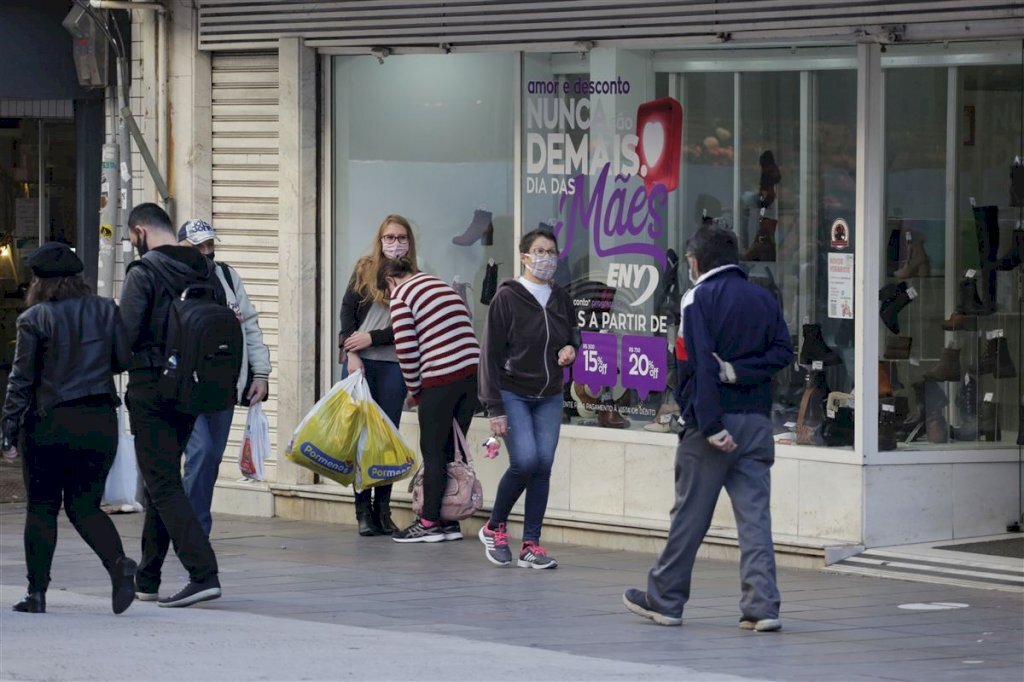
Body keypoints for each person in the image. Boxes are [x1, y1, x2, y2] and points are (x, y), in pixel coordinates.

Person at [623, 224, 793, 631]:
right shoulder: (764, 297)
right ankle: (762, 607)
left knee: (690, 516)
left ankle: (665, 599)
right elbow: (784, 352)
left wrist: (712, 423)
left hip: (710, 424)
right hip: (756, 422)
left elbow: (697, 364)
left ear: (695, 263)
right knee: (755, 520)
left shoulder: (697, 297)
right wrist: (739, 371)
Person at [1, 242, 137, 615]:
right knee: (84, 505)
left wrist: (8, 428)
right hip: (99, 420)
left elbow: (21, 380)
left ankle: (37, 594)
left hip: (50, 422)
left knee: (42, 508)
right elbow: (123, 360)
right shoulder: (106, 310)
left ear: (39, 282)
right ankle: (119, 563)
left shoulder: (33, 319)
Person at [119, 203, 223, 608]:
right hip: (193, 390)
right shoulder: (206, 268)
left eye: (132, 239)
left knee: (161, 482)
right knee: (164, 480)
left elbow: (125, 335)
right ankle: (148, 577)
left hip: (150, 389)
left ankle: (203, 572)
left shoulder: (144, 273)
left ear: (141, 231)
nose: (134, 246)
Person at [477, 228, 578, 569]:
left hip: (549, 394)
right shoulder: (507, 298)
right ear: (524, 257)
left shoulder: (561, 297)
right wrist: (494, 407)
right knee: (525, 461)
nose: (546, 258)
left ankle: (530, 545)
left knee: (543, 467)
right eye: (539, 251)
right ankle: (494, 527)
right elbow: (489, 354)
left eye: (551, 251)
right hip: (513, 391)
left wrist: (570, 349)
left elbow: (572, 335)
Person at [176, 218, 271, 537]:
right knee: (200, 452)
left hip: (224, 384)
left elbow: (251, 326)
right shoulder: (172, 281)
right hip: (185, 388)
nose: (206, 252)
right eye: (198, 246)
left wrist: (260, 373)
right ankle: (193, 529)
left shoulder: (228, 277)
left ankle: (193, 523)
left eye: (209, 245)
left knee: (213, 457)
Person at [381, 256, 480, 543]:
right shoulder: (440, 286)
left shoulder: (402, 296)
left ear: (390, 281)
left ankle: (428, 522)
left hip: (440, 376)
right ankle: (449, 520)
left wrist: (416, 391)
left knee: (433, 450)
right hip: (471, 374)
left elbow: (407, 351)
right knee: (451, 449)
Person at [339, 215, 416, 537]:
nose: (395, 243)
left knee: (385, 439)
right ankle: (363, 512)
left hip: (394, 365)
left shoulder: (416, 278)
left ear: (409, 242)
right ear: (379, 239)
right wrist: (352, 352)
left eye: (401, 237)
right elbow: (346, 312)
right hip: (361, 365)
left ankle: (383, 511)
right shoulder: (364, 268)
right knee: (361, 438)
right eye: (389, 237)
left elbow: (411, 325)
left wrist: (375, 338)